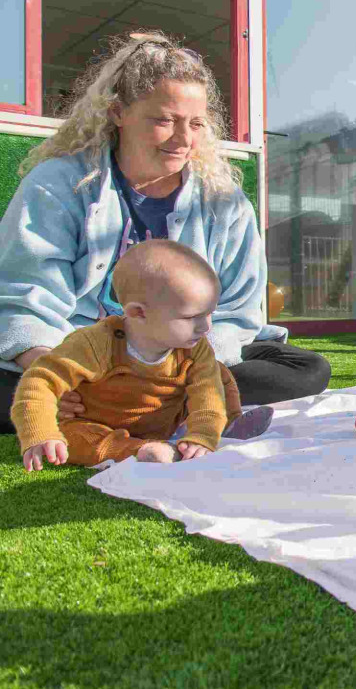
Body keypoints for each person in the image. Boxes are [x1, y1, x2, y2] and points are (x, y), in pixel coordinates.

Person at [0, 31, 330, 438]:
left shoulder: (224, 202)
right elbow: (26, 296)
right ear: (118, 112)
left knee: (308, 369)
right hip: (79, 354)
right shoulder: (58, 184)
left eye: (196, 123)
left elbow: (238, 311)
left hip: (186, 358)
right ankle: (150, 408)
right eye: (164, 120)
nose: (183, 139)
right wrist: (53, 372)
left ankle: (117, 407)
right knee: (15, 381)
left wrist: (186, 369)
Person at [16, 241, 273, 472]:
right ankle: (138, 451)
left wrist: (203, 436)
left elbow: (207, 394)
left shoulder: (194, 347)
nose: (205, 327)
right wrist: (41, 432)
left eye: (209, 313)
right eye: (191, 317)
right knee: (74, 439)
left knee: (217, 373)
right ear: (138, 313)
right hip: (98, 423)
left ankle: (229, 423)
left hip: (166, 420)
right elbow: (39, 381)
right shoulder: (96, 343)